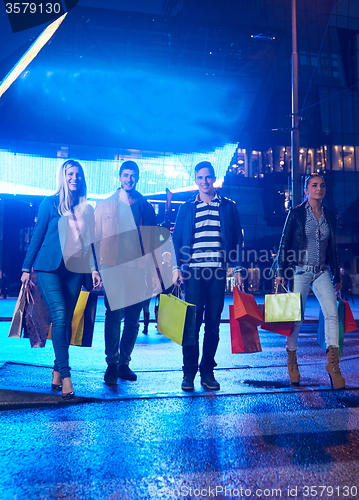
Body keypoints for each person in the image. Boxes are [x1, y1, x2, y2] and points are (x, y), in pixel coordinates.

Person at [21, 160, 101, 399]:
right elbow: (37, 236)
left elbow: (90, 241)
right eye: (70, 174)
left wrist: (95, 269)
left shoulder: (87, 208)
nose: (74, 178)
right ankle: (66, 375)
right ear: (63, 176)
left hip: (76, 270)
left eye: (78, 174)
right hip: (49, 268)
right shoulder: (50, 203)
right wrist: (27, 267)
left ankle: (56, 370)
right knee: (59, 315)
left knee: (66, 319)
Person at [172, 161, 243, 391]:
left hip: (217, 272)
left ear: (214, 179)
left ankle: (208, 372)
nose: (204, 182)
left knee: (213, 324)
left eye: (208, 177)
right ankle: (188, 373)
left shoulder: (228, 206)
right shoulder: (187, 207)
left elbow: (237, 240)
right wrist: (176, 268)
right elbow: (176, 240)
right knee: (191, 323)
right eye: (200, 178)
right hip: (193, 272)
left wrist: (239, 267)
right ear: (195, 179)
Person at [275, 173, 345, 389]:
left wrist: (337, 276)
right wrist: (280, 271)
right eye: (314, 185)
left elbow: (333, 248)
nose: (319, 189)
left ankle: (333, 364)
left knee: (332, 314)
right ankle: (292, 359)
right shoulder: (296, 214)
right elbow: (285, 242)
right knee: (297, 317)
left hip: (322, 271)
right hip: (300, 270)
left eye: (322, 185)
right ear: (306, 190)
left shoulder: (330, 216)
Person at [95, 160, 157, 384]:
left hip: (138, 269)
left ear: (137, 178)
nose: (128, 179)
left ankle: (124, 363)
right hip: (112, 267)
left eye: (132, 175)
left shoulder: (145, 206)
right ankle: (111, 363)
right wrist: (95, 268)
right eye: (125, 175)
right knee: (113, 316)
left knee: (133, 320)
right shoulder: (105, 205)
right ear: (119, 177)